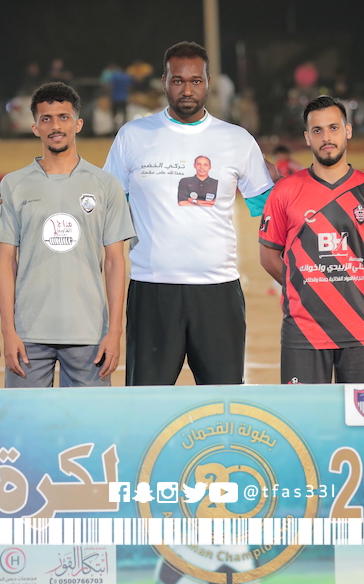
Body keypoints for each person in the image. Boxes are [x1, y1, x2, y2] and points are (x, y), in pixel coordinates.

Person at [102, 41, 274, 386]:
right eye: (178, 80)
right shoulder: (133, 137)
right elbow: (104, 203)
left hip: (218, 291)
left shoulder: (237, 140)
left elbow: (270, 206)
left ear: (208, 82)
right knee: (147, 402)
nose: (187, 90)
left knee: (222, 401)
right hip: (152, 289)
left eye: (196, 81)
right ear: (164, 82)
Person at [0, 82, 135, 388]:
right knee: (24, 419)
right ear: (35, 127)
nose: (55, 126)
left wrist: (114, 332)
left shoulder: (105, 185)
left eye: (63, 117)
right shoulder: (14, 184)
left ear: (78, 124)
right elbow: (5, 262)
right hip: (28, 335)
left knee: (86, 419)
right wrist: (9, 332)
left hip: (89, 335)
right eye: (46, 119)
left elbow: (114, 262)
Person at [259, 96, 364, 384]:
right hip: (303, 331)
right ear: (307, 138)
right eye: (317, 130)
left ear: (347, 131)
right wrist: (303, 289)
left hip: (362, 329)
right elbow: (268, 256)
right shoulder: (285, 191)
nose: (326, 137)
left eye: (334, 128)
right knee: (305, 415)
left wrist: (356, 293)